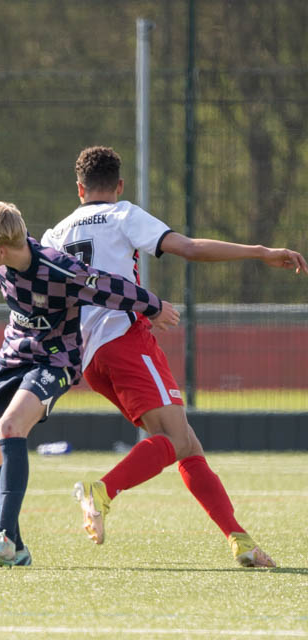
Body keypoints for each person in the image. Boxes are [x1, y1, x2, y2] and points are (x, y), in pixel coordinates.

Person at [42, 145, 306, 568]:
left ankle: (240, 540)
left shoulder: (55, 234)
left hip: (90, 358)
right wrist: (259, 251)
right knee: (177, 440)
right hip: (126, 339)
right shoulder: (122, 213)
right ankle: (102, 491)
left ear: (79, 189)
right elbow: (190, 247)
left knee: (186, 444)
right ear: (120, 185)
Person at [0, 200, 178, 567]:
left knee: (11, 427)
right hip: (14, 356)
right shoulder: (3, 258)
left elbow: (110, 286)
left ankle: (2, 537)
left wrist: (153, 306)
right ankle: (15, 548)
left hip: (55, 358)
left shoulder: (58, 269)